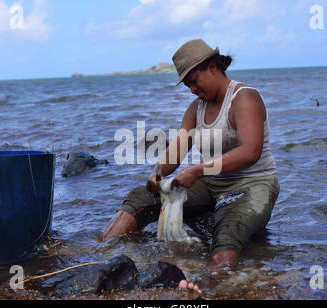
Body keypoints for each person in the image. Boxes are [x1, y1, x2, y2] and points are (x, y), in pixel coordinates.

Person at [99, 39, 280, 293]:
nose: (192, 89)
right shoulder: (196, 108)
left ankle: (201, 287)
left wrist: (197, 170)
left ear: (214, 67)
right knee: (142, 197)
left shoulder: (244, 98)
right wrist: (158, 173)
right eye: (187, 85)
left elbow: (250, 152)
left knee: (227, 232)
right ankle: (100, 253)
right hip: (212, 184)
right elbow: (178, 148)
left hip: (252, 185)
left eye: (194, 81)